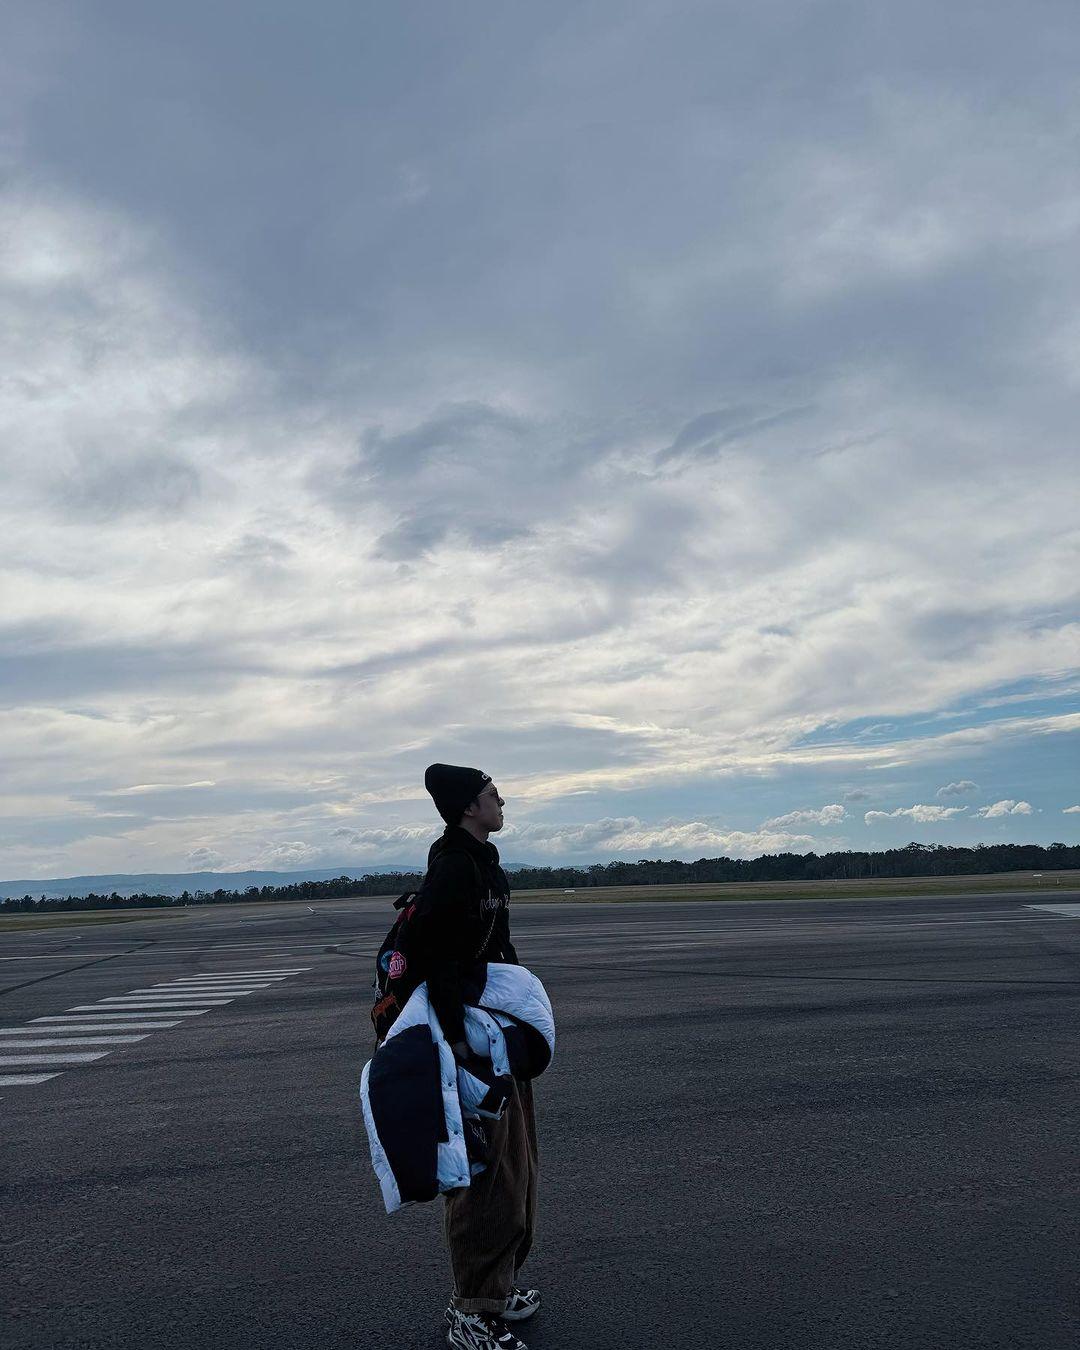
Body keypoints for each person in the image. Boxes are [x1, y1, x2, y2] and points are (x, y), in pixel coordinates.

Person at [411, 762, 542, 1350]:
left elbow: (499, 952)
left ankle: (498, 1286)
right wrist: (458, 1045)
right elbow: (435, 959)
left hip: (495, 1034)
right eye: (493, 794)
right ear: (469, 806)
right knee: (484, 1173)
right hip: (466, 1042)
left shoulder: (485, 863)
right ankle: (471, 1309)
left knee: (517, 1165)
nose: (502, 801)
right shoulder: (452, 868)